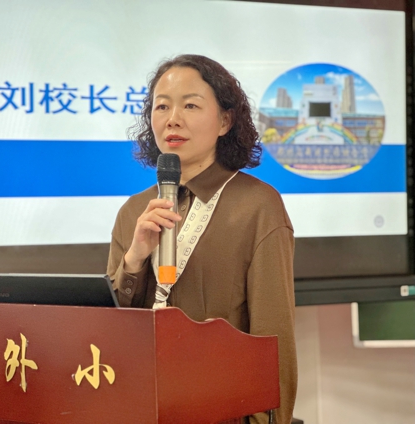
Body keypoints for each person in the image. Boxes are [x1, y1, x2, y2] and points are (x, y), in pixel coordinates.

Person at [107, 54, 297, 424]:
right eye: (162, 106)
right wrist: (134, 259)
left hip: (224, 412)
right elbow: (110, 332)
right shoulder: (134, 211)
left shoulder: (258, 206)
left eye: (190, 105)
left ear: (225, 121)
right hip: (142, 409)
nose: (172, 119)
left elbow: (274, 340)